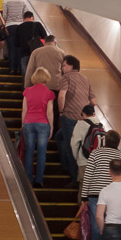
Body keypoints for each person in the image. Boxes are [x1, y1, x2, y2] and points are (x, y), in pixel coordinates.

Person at [80, 130, 121, 240]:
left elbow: (88, 175)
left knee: (97, 228)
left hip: (95, 195)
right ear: (118, 143)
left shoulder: (95, 153)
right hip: (115, 197)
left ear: (105, 141)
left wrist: (84, 196)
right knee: (112, 227)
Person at [56, 55, 95, 187]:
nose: (62, 68)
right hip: (84, 118)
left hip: (69, 117)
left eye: (64, 65)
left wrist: (61, 111)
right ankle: (66, 166)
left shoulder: (65, 78)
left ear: (71, 66)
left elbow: (61, 95)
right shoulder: (86, 78)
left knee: (71, 145)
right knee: (59, 137)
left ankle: (74, 177)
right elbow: (93, 101)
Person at [20, 68, 55, 187]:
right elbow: (49, 112)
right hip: (43, 124)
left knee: (29, 151)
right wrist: (51, 127)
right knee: (41, 153)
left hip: (29, 123)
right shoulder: (49, 93)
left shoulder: (27, 91)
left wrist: (23, 124)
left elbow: (24, 109)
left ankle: (28, 178)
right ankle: (39, 180)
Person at [69, 104, 100, 190]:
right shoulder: (100, 124)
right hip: (97, 161)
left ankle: (82, 203)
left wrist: (77, 158)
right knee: (94, 188)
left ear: (83, 113)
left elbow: (74, 144)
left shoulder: (81, 124)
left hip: (84, 160)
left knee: (83, 188)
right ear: (94, 114)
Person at [1, 0, 29, 73]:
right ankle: (19, 68)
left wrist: (4, 25)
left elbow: (5, 15)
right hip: (21, 26)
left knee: (11, 48)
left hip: (10, 26)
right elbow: (25, 14)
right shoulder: (23, 0)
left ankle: (12, 68)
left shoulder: (6, 1)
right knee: (19, 48)